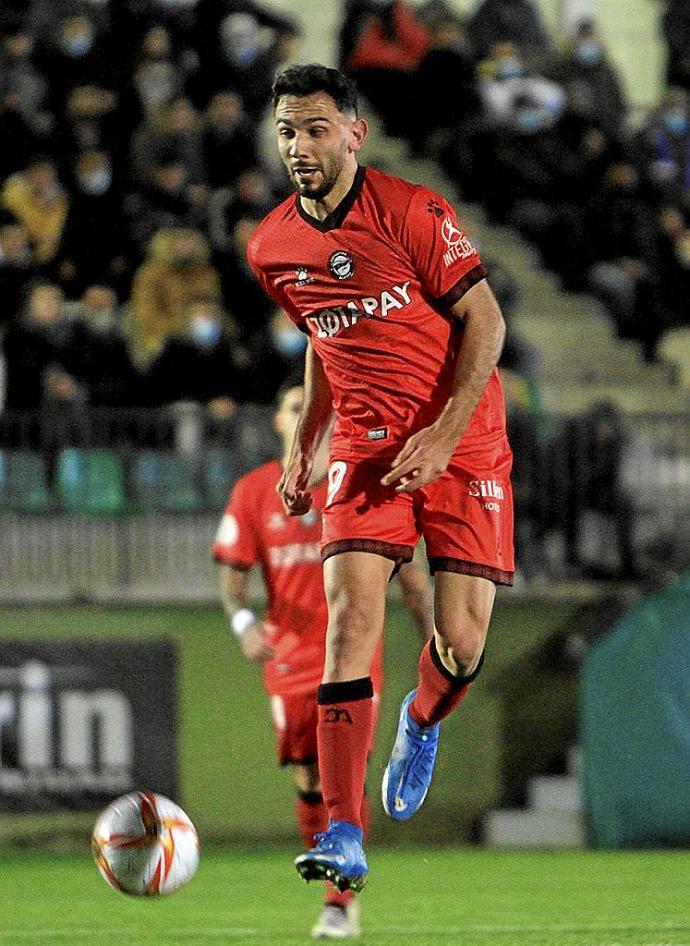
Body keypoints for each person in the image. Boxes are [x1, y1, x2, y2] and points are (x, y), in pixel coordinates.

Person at [247, 64, 514, 892]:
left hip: (464, 441)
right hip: (365, 445)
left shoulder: (411, 211)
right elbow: (327, 339)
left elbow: (487, 320)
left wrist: (442, 431)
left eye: (316, 128)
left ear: (354, 133)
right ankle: (343, 831)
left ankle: (422, 716)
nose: (300, 146)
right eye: (288, 130)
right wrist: (307, 445)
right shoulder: (272, 246)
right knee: (348, 616)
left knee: (461, 641)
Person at [212, 382, 433, 939]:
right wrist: (243, 624)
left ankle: (339, 901)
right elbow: (232, 578)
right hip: (288, 658)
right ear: (283, 423)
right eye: (297, 407)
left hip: (355, 655)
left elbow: (412, 578)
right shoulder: (255, 491)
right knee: (311, 776)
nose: (315, 416)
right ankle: (332, 880)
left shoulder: (363, 484)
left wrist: (437, 640)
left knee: (345, 768)